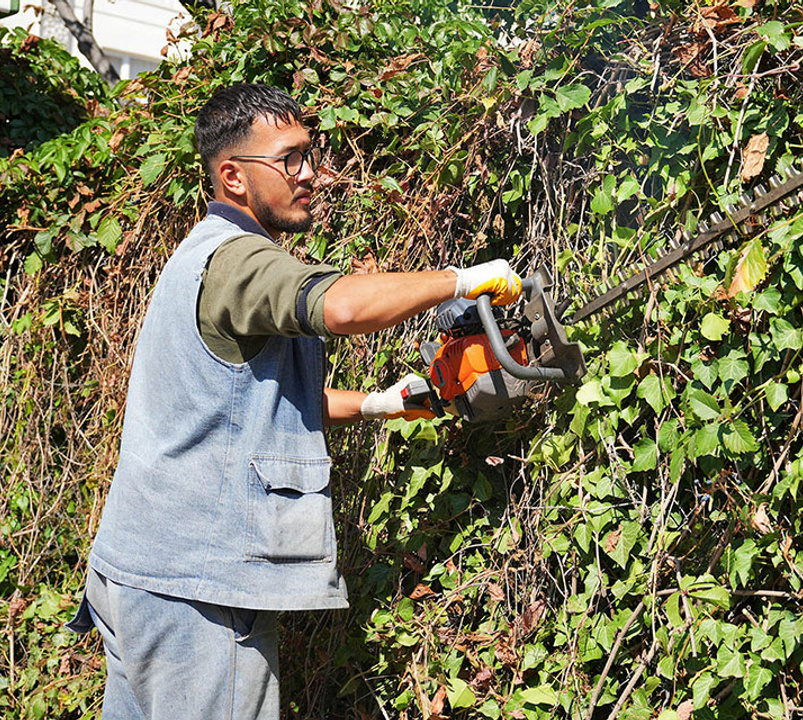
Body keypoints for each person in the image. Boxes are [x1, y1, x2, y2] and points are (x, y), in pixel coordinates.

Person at [67, 83, 520, 719]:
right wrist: (462, 279)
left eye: (310, 154)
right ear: (233, 175)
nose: (311, 174)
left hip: (136, 570)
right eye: (289, 159)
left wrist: (374, 405)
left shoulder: (196, 256)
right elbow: (339, 306)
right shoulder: (241, 261)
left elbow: (241, 405)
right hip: (198, 588)